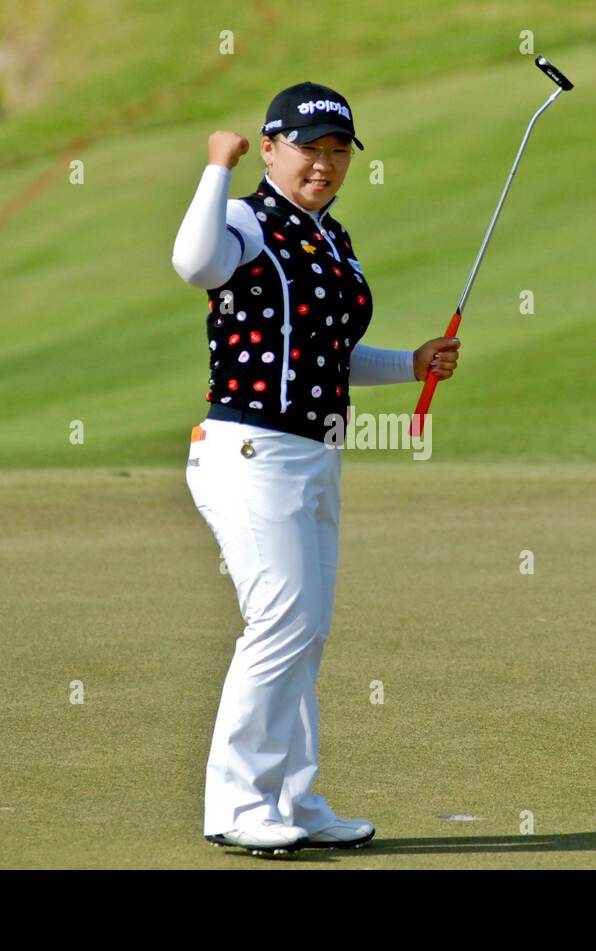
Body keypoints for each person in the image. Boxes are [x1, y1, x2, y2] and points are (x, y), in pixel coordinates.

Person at [171, 81, 461, 855]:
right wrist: (214, 169)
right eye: (309, 150)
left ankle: (294, 802)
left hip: (316, 452)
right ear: (270, 150)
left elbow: (327, 356)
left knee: (307, 630)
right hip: (249, 451)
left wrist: (411, 363)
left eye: (338, 153)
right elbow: (194, 264)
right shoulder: (244, 218)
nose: (325, 166)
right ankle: (236, 803)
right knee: (282, 622)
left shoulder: (332, 238)